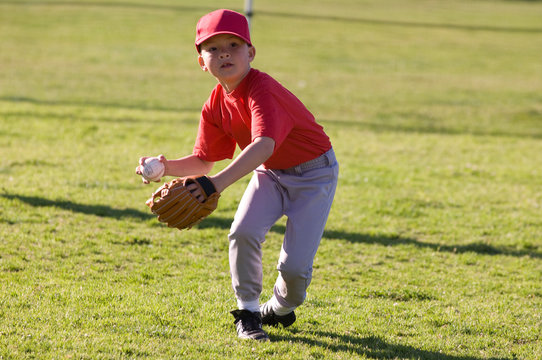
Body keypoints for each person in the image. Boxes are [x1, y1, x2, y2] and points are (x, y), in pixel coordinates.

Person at [136, 9, 339, 342]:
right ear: (201, 60)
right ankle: (247, 312)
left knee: (294, 270)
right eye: (212, 48)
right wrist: (165, 166)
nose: (224, 53)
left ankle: (280, 308)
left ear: (251, 53)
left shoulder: (262, 89)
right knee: (242, 232)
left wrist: (215, 185)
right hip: (270, 174)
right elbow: (204, 160)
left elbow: (264, 146)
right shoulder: (215, 103)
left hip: (314, 174)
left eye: (233, 44)